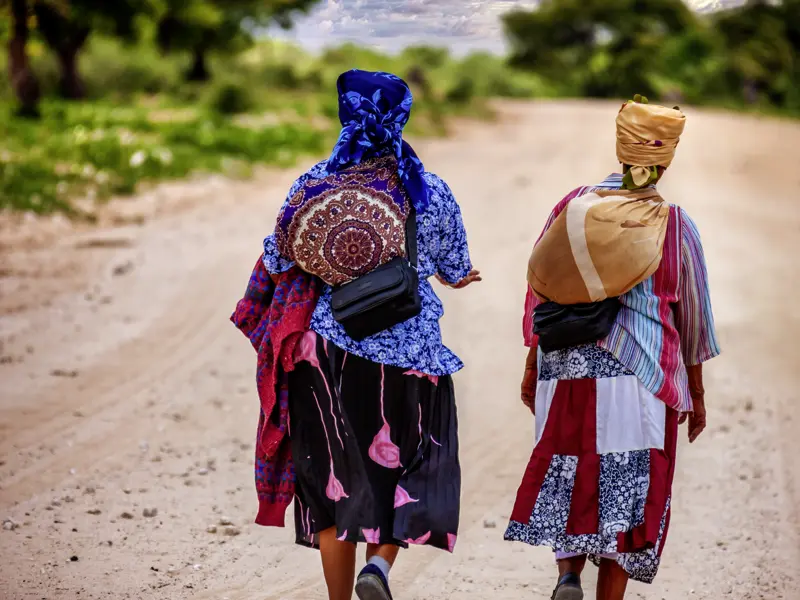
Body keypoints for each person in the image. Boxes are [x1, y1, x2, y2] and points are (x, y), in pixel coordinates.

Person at [233, 70, 479, 600]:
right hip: (410, 355)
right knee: (415, 469)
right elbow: (454, 265)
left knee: (331, 486)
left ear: (346, 114)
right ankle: (381, 569)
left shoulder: (315, 182)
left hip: (325, 351)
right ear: (402, 117)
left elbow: (279, 255)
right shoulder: (427, 188)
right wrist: (454, 275)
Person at [503, 97, 721, 600]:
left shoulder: (572, 207)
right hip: (640, 376)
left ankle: (567, 575)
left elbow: (540, 286)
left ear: (620, 149)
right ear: (665, 160)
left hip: (565, 365)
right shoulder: (675, 225)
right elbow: (693, 317)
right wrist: (696, 392)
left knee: (567, 467)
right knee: (626, 494)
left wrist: (534, 360)